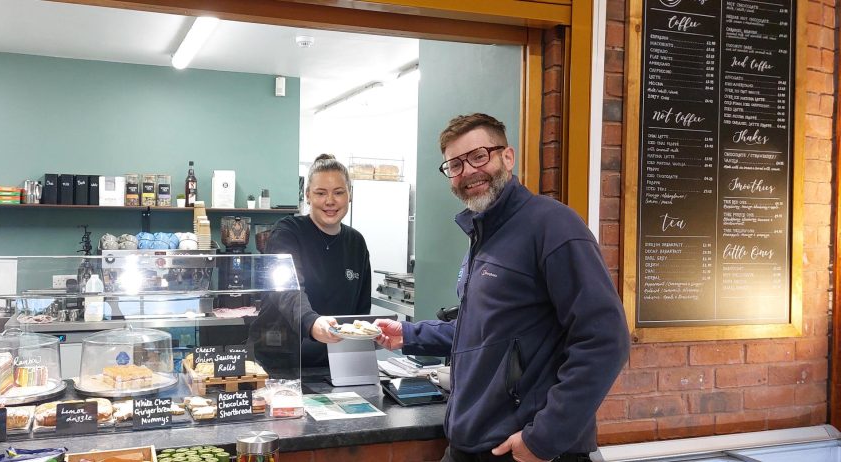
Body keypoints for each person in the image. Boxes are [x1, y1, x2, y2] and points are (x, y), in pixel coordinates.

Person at [374, 113, 630, 462]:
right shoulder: (485, 235)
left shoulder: (553, 225)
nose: (468, 171)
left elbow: (605, 339)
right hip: (473, 441)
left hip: (521, 448)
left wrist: (544, 438)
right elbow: (484, 330)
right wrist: (408, 333)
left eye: (479, 156)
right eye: (455, 164)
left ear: (507, 157)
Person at [258, 153, 372, 368]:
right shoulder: (287, 232)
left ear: (350, 195)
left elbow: (361, 309)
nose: (330, 201)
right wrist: (312, 322)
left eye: (338, 192)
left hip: (335, 364)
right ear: (308, 195)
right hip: (284, 363)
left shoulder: (356, 242)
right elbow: (287, 291)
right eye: (321, 193)